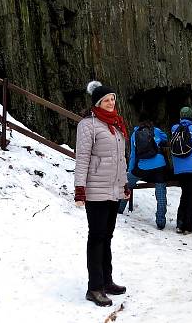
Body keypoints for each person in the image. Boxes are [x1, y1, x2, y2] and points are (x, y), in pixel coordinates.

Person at [74, 81, 131, 307]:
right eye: (106, 100)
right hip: (96, 191)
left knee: (107, 237)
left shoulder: (116, 125)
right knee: (96, 238)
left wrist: (124, 185)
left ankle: (107, 281)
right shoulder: (88, 125)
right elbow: (83, 159)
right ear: (98, 102)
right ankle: (94, 287)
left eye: (113, 99)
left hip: (113, 191)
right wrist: (80, 190)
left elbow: (120, 160)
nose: (111, 103)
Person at [117, 119, 169, 230]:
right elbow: (166, 138)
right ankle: (161, 221)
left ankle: (119, 209)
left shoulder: (135, 133)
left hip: (142, 166)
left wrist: (131, 172)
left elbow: (133, 155)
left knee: (127, 185)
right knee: (160, 193)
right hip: (159, 166)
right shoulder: (156, 130)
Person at [170, 106, 192, 235]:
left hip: (179, 168)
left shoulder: (174, 129)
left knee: (184, 194)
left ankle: (180, 223)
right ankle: (188, 225)